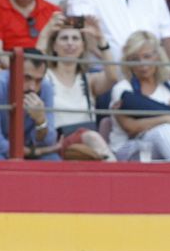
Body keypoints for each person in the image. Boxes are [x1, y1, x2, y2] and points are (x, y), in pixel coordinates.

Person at [107, 30, 170, 161]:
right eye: (135, 59)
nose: (142, 64)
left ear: (157, 57)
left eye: (147, 56)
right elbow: (131, 128)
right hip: (128, 148)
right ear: (128, 61)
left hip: (159, 146)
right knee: (164, 129)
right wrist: (166, 118)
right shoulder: (123, 89)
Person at [42, 10, 116, 158]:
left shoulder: (88, 80)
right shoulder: (44, 76)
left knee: (93, 142)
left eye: (75, 38)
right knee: (94, 139)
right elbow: (33, 62)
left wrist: (100, 38)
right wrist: (46, 32)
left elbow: (112, 77)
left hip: (87, 145)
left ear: (83, 46)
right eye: (64, 38)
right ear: (54, 46)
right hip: (59, 142)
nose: (70, 43)